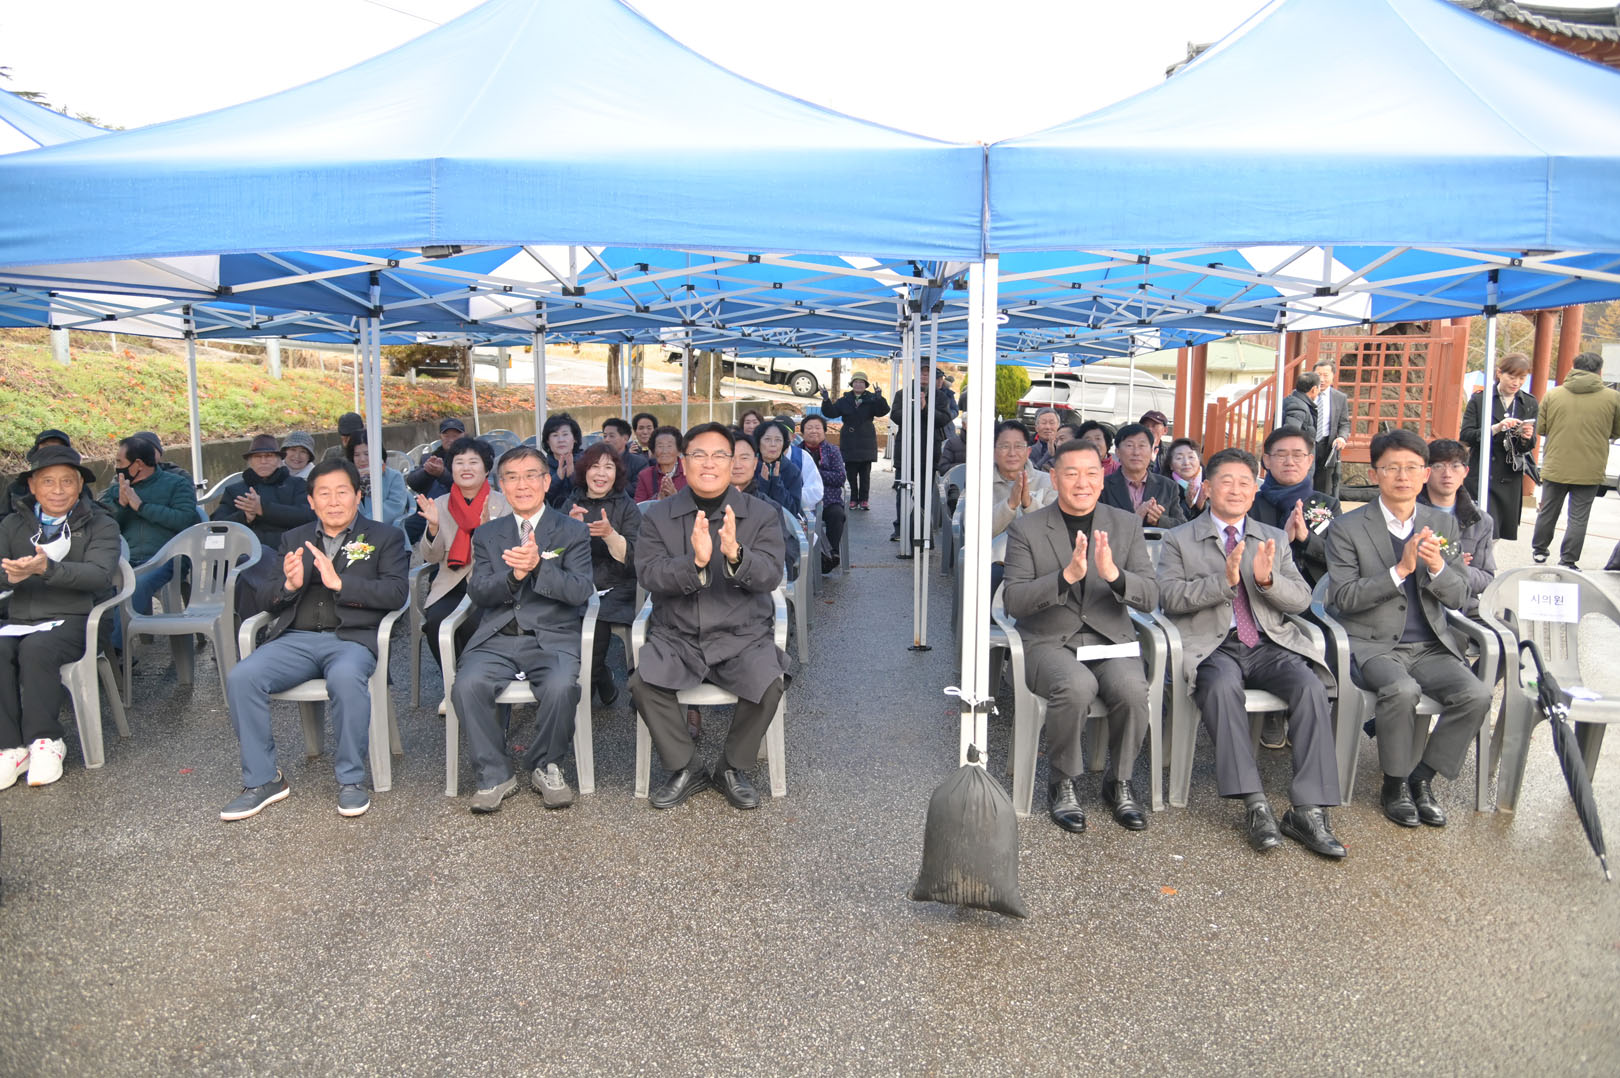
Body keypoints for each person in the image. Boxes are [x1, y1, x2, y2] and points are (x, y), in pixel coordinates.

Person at [1157, 448, 1344, 858]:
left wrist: (1267, 581)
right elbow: (1168, 597)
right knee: (1221, 688)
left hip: (1267, 643)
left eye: (1245, 482)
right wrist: (1222, 583)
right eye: (1226, 481)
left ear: (1254, 489)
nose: (1236, 490)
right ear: (1208, 487)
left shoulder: (1273, 536)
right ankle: (1255, 804)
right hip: (1213, 645)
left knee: (1310, 687)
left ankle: (1308, 809)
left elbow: (1301, 599)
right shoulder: (1178, 539)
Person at [219, 458, 410, 820]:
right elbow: (266, 598)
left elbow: (397, 593)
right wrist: (289, 586)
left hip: (351, 640)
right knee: (242, 676)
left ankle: (351, 780)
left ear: (358, 496)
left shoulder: (385, 537)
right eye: (324, 493)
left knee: (346, 678)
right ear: (310, 501)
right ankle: (263, 780)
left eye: (342, 492)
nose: (333, 501)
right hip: (296, 639)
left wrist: (341, 584)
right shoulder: (294, 538)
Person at [1325, 429, 1492, 830]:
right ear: (1374, 474)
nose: (1403, 476)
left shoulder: (1442, 524)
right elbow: (1343, 598)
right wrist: (1399, 570)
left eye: (1412, 468)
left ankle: (1422, 778)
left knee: (1476, 694)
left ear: (1425, 474)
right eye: (1392, 468)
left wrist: (1436, 567)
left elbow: (1458, 595)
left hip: (1430, 645)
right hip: (1373, 645)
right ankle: (1394, 783)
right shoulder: (1347, 527)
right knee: (1401, 690)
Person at [629, 423, 789, 811]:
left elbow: (771, 575)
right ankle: (687, 767)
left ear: (733, 463)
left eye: (719, 455)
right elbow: (648, 573)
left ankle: (732, 767)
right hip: (678, 636)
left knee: (771, 682)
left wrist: (736, 555)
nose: (709, 463)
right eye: (698, 454)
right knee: (643, 684)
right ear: (684, 462)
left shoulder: (762, 514)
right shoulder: (658, 516)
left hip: (741, 635)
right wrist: (696, 563)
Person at [1002, 439, 1157, 835]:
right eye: (1071, 474)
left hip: (1110, 640)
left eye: (1091, 473)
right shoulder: (1027, 528)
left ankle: (1119, 782)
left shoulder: (1125, 524)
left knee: (1132, 689)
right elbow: (1014, 600)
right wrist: (1065, 577)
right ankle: (1063, 781)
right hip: (1048, 641)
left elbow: (1151, 595)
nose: (1082, 482)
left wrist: (1115, 576)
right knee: (1075, 685)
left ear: (1102, 479)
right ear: (1054, 479)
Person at [449, 446, 595, 814]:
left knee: (561, 687)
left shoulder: (572, 530)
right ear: (501, 485)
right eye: (512, 478)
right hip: (497, 636)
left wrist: (539, 568)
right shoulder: (487, 534)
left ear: (546, 482)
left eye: (531, 476)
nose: (522, 485)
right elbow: (479, 592)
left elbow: (580, 590)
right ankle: (494, 774)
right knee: (467, 685)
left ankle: (547, 765)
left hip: (552, 636)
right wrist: (514, 576)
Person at [0, 445, 120, 789]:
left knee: (37, 649)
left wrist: (48, 569)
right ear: (32, 486)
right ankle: (10, 747)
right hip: (21, 617)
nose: (58, 490)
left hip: (77, 618)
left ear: (79, 486)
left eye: (67, 481)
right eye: (48, 481)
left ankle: (46, 741)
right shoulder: (12, 524)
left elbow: (99, 575)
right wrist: (11, 575)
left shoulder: (101, 523)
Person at [415, 437, 508, 701]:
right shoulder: (440, 504)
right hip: (451, 583)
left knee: (476, 622)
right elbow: (431, 557)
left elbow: (506, 557)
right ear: (451, 468)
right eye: (459, 462)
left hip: (490, 583)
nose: (466, 468)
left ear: (486, 469)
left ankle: (477, 684)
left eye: (473, 462)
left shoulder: (503, 503)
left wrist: (487, 531)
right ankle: (453, 685)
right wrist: (433, 528)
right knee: (436, 621)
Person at [101, 434, 199, 654]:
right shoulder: (117, 489)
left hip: (168, 560)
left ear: (138, 464)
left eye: (119, 462)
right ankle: (94, 649)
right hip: (126, 560)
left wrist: (142, 507)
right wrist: (121, 506)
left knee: (137, 583)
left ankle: (111, 653)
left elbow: (185, 519)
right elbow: (104, 526)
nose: (117, 467)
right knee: (97, 584)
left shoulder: (177, 484)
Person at [563, 442, 641, 707]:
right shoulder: (571, 502)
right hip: (578, 583)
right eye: (595, 466)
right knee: (560, 621)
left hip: (618, 584)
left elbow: (636, 559)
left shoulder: (627, 506)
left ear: (616, 474)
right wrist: (571, 531)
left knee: (594, 624)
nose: (601, 473)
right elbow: (552, 553)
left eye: (608, 467)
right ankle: (602, 679)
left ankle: (580, 697)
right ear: (584, 471)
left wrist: (610, 535)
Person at [210, 434, 315, 620]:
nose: (264, 461)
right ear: (250, 461)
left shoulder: (297, 485)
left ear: (279, 460)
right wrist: (245, 517)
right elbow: (217, 526)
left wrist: (263, 509)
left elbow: (309, 516)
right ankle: (270, 614)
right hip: (245, 556)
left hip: (285, 554)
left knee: (245, 580)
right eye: (258, 457)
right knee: (245, 567)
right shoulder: (235, 490)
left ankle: (250, 630)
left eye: (269, 456)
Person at [1531, 352, 1620, 569]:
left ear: (1573, 367)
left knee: (1548, 510)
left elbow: (1541, 428)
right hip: (1590, 467)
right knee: (1578, 517)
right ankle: (1568, 560)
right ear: (1599, 371)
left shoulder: (1553, 394)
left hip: (1556, 464)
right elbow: (1617, 430)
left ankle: (1539, 550)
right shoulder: (1613, 398)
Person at [1459, 351, 1537, 542]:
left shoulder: (1528, 402)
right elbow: (1466, 436)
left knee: (1497, 532)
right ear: (1499, 373)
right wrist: (1495, 428)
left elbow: (1528, 446)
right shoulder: (1481, 399)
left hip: (1509, 474)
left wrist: (1526, 437)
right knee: (1478, 529)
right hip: (1483, 470)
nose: (1516, 383)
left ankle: (1485, 560)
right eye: (1512, 377)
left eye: (1522, 378)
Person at [1251, 427, 1340, 588]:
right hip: (1262, 590)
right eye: (1281, 455)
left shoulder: (1329, 505)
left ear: (1309, 460)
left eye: (1298, 455)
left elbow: (1342, 557)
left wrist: (1306, 538)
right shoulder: (1251, 505)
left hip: (1317, 595)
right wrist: (1283, 539)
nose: (1290, 462)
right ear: (1267, 460)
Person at [1417, 439, 1496, 619]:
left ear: (1465, 472)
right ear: (1426, 472)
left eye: (1455, 466)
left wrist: (1451, 566)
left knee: (1506, 633)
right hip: (1420, 604)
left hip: (1464, 607)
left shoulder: (1480, 520)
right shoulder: (1409, 512)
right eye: (1438, 466)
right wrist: (1449, 563)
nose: (1447, 474)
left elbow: (1486, 579)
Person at [890, 361, 954, 542]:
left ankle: (922, 530)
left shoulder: (940, 397)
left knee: (925, 494)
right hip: (906, 451)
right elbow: (895, 416)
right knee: (903, 492)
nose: (924, 375)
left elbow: (944, 419)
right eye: (922, 372)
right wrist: (913, 408)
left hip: (928, 452)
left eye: (928, 372)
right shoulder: (902, 394)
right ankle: (900, 528)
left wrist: (925, 408)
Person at [820, 370, 889, 510]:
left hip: (866, 439)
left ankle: (864, 499)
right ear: (852, 384)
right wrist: (826, 400)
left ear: (866, 385)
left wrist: (879, 398)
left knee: (865, 474)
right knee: (850, 473)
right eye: (856, 382)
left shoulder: (872, 398)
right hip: (849, 440)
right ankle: (853, 498)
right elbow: (831, 413)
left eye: (861, 382)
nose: (858, 384)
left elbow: (883, 411)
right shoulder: (844, 400)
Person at [1100, 422, 1186, 529]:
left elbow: (1183, 526)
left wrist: (1159, 520)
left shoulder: (1168, 486)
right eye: (1129, 445)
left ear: (1151, 451)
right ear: (1117, 452)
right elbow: (1098, 526)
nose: (1136, 452)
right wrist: (1136, 518)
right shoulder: (1103, 486)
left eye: (1142, 446)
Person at [798, 414, 847, 573]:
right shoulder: (797, 452)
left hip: (829, 499)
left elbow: (840, 477)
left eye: (817, 427)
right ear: (802, 432)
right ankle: (812, 557)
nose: (814, 431)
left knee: (837, 515)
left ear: (824, 431)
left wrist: (816, 473)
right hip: (804, 501)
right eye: (809, 428)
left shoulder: (833, 451)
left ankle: (831, 554)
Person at [992, 420, 1055, 537]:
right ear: (994, 452)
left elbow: (1054, 529)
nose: (1012, 453)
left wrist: (1029, 503)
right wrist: (1010, 504)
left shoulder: (1048, 482)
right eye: (1005, 446)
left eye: (1018, 446)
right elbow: (973, 531)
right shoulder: (980, 484)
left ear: (1028, 452)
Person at [1, 430, 74, 528]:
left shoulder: (77, 489)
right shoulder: (16, 489)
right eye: (46, 447)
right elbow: (3, 520)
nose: (50, 452)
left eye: (57, 448)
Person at [346, 436, 410, 526]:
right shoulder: (346, 478)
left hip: (387, 531)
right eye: (356, 455)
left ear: (377, 453)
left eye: (367, 454)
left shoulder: (393, 476)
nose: (362, 459)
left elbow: (396, 506)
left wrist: (364, 522)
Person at [405, 417, 469, 504]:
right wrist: (426, 471)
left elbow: (468, 486)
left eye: (455, 436)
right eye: (446, 436)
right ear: (440, 437)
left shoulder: (472, 458)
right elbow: (413, 483)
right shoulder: (430, 458)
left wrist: (442, 474)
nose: (451, 440)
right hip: (431, 505)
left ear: (464, 435)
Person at [1311, 360, 1350, 497]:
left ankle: (1320, 509)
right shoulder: (1305, 394)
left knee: (1324, 487)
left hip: (1327, 445)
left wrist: (1342, 437)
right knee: (1304, 481)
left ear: (1333, 376)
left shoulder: (1340, 398)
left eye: (1326, 375)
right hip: (1307, 444)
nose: (1321, 379)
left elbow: (1344, 423)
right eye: (1318, 375)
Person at [755, 421, 804, 518]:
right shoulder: (749, 467)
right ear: (758, 442)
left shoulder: (792, 471)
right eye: (767, 439)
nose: (773, 444)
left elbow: (793, 509)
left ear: (784, 444)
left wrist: (776, 482)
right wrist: (763, 483)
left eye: (778, 440)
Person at [540, 412, 584, 508]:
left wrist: (572, 476)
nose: (561, 440)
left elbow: (590, 496)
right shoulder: (541, 467)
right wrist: (557, 478)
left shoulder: (587, 463)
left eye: (565, 434)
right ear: (548, 441)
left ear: (575, 439)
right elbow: (539, 499)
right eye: (555, 435)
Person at [634, 426, 687, 503]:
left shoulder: (689, 474)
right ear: (654, 451)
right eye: (660, 446)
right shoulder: (645, 475)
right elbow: (639, 506)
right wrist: (657, 499)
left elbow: (697, 505)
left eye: (669, 446)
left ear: (679, 451)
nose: (664, 451)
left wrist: (676, 496)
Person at [600, 417, 649, 489]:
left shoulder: (639, 463)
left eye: (611, 436)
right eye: (605, 436)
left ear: (625, 438)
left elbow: (638, 489)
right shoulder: (596, 459)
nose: (607, 440)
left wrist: (611, 483)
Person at [1165, 437, 1207, 516]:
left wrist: (1201, 507)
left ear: (1199, 460)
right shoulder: (1165, 487)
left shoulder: (1210, 482)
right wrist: (1187, 504)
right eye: (1179, 458)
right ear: (1171, 465)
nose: (1186, 463)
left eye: (1191, 457)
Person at [1027, 408, 1063, 473]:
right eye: (1043, 423)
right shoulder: (1030, 451)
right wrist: (1049, 454)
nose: (1048, 427)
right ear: (1036, 428)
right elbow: (1032, 473)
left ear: (1059, 426)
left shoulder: (1064, 448)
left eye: (1052, 423)